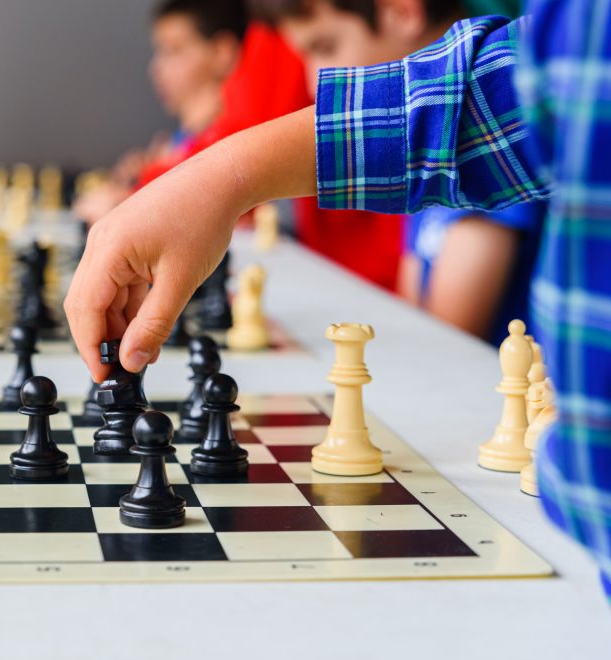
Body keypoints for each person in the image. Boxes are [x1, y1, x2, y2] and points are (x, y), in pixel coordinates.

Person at [65, 3, 611, 595]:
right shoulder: (570, 28)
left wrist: (222, 178)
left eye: (324, 49)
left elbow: (437, 339)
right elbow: (492, 102)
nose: (308, 77)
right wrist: (220, 180)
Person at [264, 0, 543, 344]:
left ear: (403, 12)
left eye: (326, 48)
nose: (312, 82)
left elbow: (443, 345)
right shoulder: (423, 158)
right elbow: (412, 316)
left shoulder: (492, 139)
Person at [74, 0, 250, 225]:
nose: (156, 69)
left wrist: (123, 203)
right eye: (160, 52)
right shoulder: (175, 146)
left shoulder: (233, 143)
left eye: (174, 51)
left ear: (221, 52)